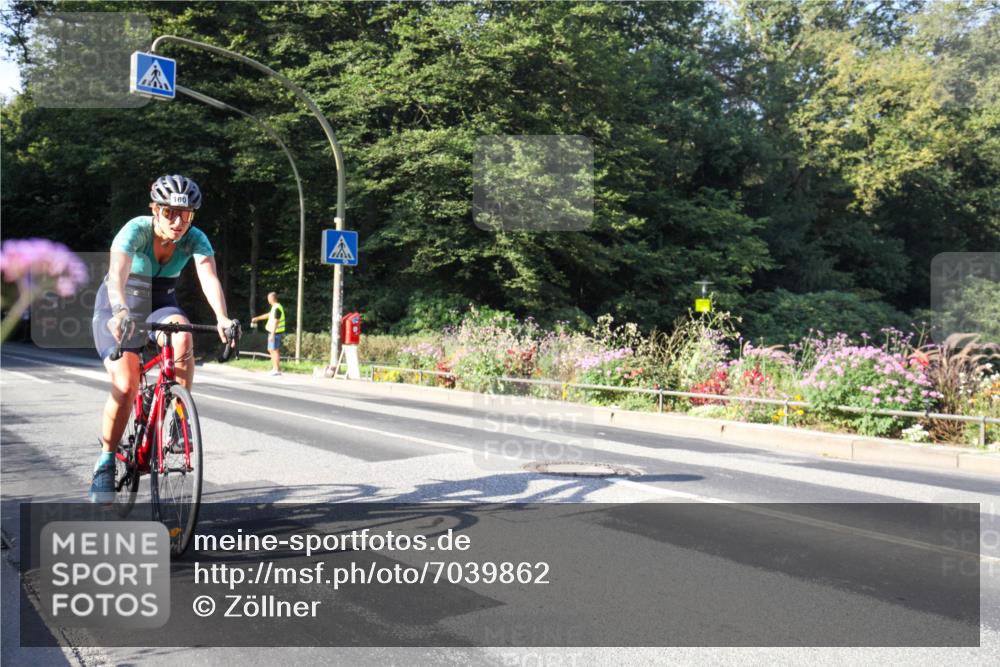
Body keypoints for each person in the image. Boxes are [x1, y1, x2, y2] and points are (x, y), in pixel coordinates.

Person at [89, 174, 235, 503]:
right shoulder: (135, 230)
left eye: (186, 214)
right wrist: (120, 311)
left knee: (182, 337)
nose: (179, 222)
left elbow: (208, 277)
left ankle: (176, 423)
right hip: (120, 304)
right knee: (126, 386)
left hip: (161, 304)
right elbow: (117, 277)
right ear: (155, 209)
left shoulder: (196, 238)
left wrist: (222, 318)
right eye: (170, 213)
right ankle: (106, 460)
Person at [251, 291, 285, 376]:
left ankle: (276, 369)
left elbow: (276, 321)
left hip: (276, 333)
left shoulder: (277, 308)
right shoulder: (275, 307)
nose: (268, 300)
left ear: (271, 299)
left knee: (274, 350)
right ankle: (275, 368)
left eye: (268, 298)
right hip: (273, 332)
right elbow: (269, 315)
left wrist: (273, 334)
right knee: (271, 349)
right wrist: (257, 318)